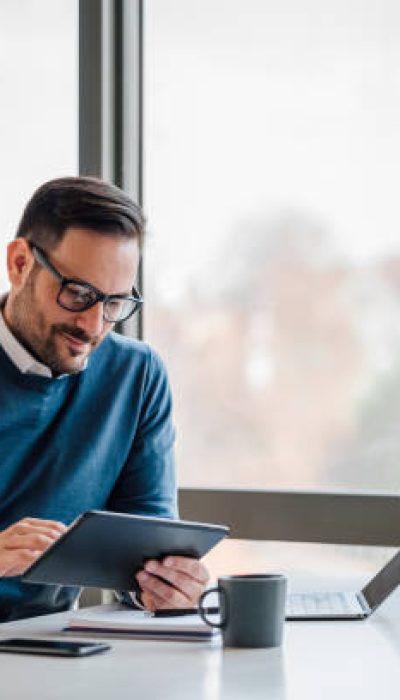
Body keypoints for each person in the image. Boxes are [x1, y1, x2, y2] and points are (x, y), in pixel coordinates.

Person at [0, 176, 209, 622]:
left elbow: (147, 548)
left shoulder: (136, 376)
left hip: (47, 647)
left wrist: (165, 586)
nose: (93, 324)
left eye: (114, 302)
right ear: (19, 264)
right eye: (77, 293)